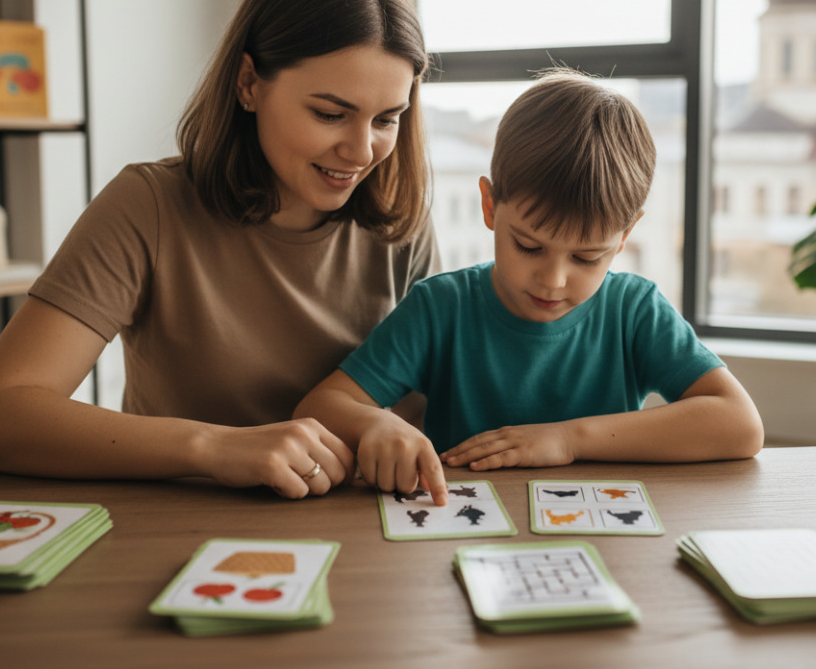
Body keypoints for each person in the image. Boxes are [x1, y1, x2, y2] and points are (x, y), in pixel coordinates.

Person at [0, 0, 440, 500]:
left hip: (361, 535)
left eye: (387, 119)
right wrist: (212, 448)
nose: (360, 151)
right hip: (176, 531)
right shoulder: (149, 206)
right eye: (330, 114)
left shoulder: (403, 225)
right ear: (249, 84)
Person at [294, 70, 764, 504]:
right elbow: (319, 407)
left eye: (586, 257)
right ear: (491, 206)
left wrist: (566, 439)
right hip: (464, 536)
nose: (553, 280)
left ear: (624, 236)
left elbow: (740, 425)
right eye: (528, 246)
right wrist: (376, 423)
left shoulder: (634, 310)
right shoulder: (442, 307)